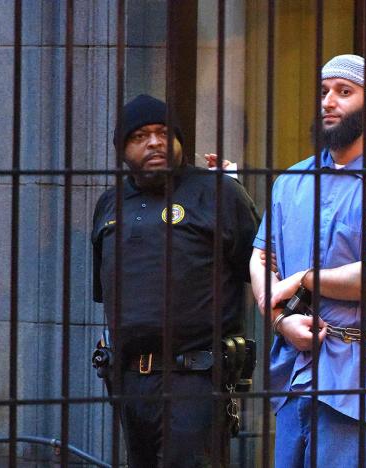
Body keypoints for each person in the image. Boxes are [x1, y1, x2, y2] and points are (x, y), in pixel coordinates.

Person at [250, 55, 366, 467]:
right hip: (295, 367)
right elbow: (260, 256)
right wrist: (278, 319)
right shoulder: (292, 179)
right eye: (324, 91)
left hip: (360, 375)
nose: (328, 101)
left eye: (343, 92)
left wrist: (303, 280)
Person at [91, 94, 259, 467]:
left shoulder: (217, 193)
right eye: (140, 136)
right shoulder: (108, 204)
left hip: (196, 377)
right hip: (130, 379)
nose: (154, 142)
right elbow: (107, 294)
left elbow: (264, 270)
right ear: (122, 149)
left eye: (164, 133)